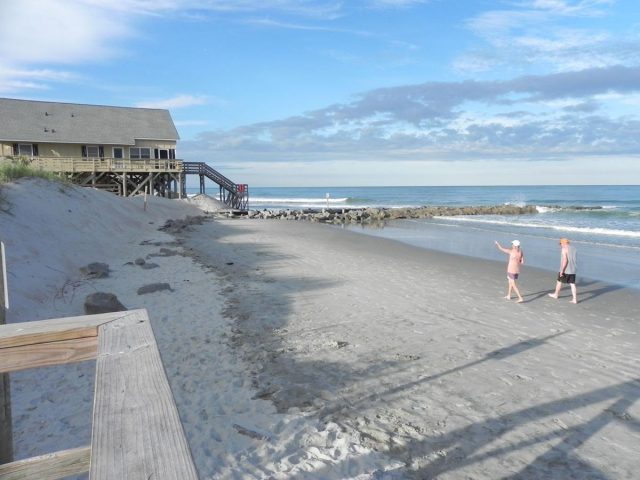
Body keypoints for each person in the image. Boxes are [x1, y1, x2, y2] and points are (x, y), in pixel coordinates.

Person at [548, 238, 578, 304]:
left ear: (564, 243)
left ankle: (556, 294)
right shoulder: (574, 248)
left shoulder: (564, 249)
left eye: (561, 243)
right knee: (572, 284)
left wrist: (562, 270)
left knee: (559, 281)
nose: (560, 245)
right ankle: (574, 299)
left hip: (566, 269)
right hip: (573, 269)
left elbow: (565, 260)